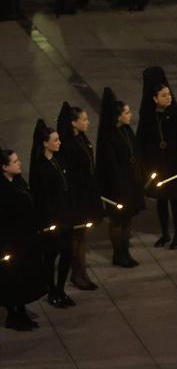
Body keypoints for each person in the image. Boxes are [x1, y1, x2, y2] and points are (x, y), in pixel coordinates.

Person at [138, 68, 177, 250]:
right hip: (157, 166)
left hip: (174, 166)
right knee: (161, 201)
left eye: (169, 94)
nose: (168, 98)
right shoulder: (148, 117)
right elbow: (142, 142)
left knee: (176, 201)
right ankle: (164, 233)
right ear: (155, 99)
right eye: (163, 95)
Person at [96, 88, 145, 267]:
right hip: (117, 186)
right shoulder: (108, 137)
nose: (130, 115)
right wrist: (118, 187)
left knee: (128, 219)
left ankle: (125, 252)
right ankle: (118, 253)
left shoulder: (126, 131)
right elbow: (109, 165)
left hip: (130, 182)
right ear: (118, 116)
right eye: (126, 112)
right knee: (117, 221)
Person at [29, 119, 75, 308]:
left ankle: (61, 289)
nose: (59, 143)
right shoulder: (41, 168)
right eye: (55, 140)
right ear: (45, 143)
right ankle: (52, 291)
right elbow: (42, 198)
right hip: (52, 219)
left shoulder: (59, 159)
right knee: (51, 256)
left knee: (67, 253)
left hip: (65, 216)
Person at [55, 103, 101, 291]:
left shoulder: (81, 138)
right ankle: (78, 272)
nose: (88, 122)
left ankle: (80, 272)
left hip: (86, 193)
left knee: (82, 235)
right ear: (73, 123)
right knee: (77, 236)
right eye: (84, 119)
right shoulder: (68, 144)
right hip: (77, 197)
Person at [1, 148, 45, 330]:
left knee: (25, 277)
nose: (19, 163)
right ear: (4, 167)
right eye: (14, 162)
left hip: (25, 239)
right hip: (11, 242)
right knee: (13, 279)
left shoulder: (18, 181)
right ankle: (13, 316)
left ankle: (21, 312)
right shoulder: (3, 190)